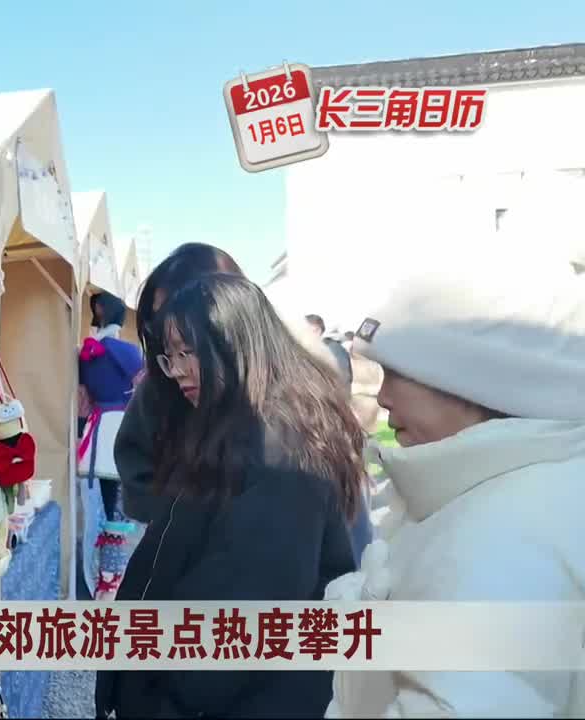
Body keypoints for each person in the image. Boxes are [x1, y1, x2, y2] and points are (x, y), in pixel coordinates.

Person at [96, 274, 365, 719]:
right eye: (169, 357)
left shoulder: (280, 451)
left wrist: (163, 698)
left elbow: (236, 625)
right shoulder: (236, 428)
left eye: (188, 352)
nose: (177, 371)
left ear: (234, 343)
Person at [325, 264, 585, 717]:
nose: (382, 397)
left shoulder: (505, 541)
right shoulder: (496, 489)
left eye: (397, 373)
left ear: (474, 382)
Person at [117, 243, 245, 523]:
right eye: (157, 321)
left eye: (177, 315)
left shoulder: (290, 406)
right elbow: (135, 468)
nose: (166, 332)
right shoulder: (158, 385)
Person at [76, 291, 144, 599]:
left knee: (98, 508)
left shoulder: (88, 352)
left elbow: (83, 398)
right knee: (116, 508)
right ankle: (111, 576)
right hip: (121, 429)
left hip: (98, 430)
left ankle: (101, 577)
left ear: (101, 311)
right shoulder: (128, 351)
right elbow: (142, 391)